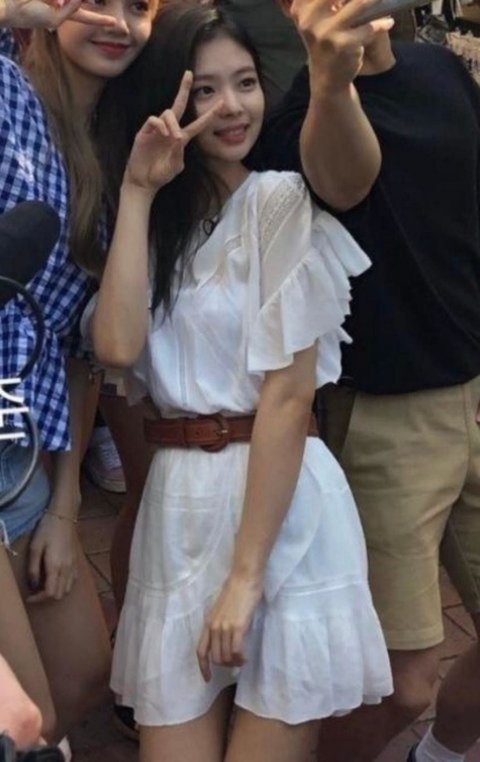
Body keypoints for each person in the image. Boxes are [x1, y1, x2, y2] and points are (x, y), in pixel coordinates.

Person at [89, 4, 393, 761]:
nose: (232, 107)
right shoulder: (150, 217)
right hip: (179, 507)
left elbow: (289, 397)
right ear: (168, 99)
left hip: (278, 507)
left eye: (247, 83)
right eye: (206, 89)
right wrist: (137, 192)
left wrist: (245, 578)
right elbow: (117, 346)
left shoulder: (279, 201)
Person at [256, 11, 480, 762]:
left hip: (473, 386)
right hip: (386, 415)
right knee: (398, 682)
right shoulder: (292, 119)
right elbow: (344, 184)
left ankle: (439, 755)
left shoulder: (439, 71)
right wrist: (331, 81)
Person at [0, 0, 156, 744]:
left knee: (83, 676)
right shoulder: (7, 89)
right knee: (26, 718)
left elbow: (79, 352)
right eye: (94, 0)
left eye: (138, 6)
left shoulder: (118, 152)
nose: (117, 21)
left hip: (23, 445)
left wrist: (66, 510)